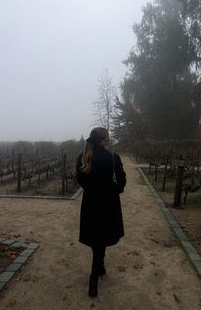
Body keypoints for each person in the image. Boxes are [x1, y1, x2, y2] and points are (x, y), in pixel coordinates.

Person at [76, 127, 126, 298]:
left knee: (96, 237)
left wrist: (92, 190)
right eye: (108, 138)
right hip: (109, 206)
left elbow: (80, 181)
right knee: (102, 237)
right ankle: (94, 276)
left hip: (90, 204)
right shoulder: (113, 157)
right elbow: (121, 183)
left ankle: (100, 266)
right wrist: (111, 191)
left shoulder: (82, 157)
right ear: (103, 140)